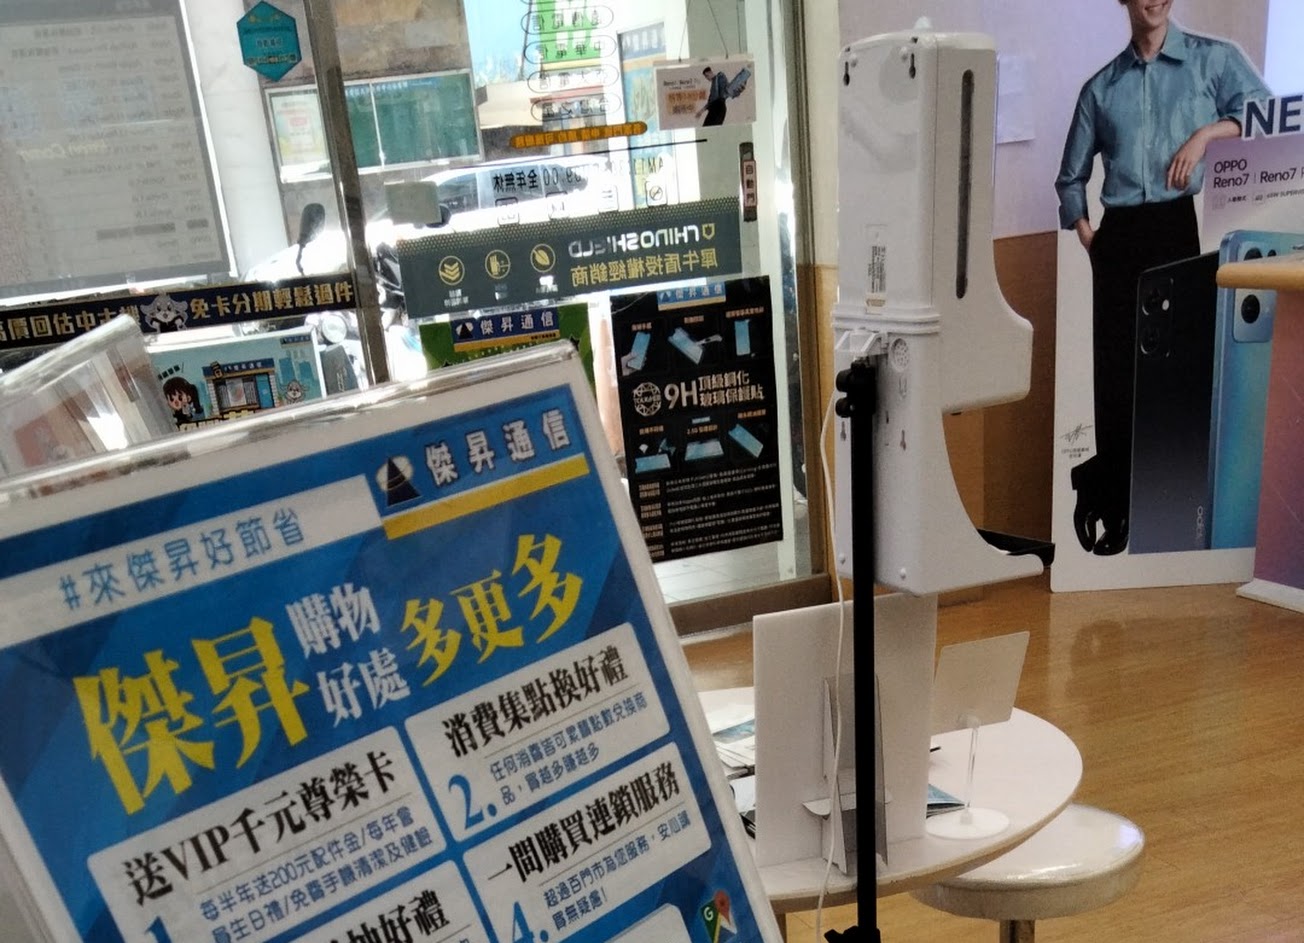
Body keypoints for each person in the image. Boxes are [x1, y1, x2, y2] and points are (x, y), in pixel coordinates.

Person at [1054, 0, 1269, 556]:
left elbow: (1264, 114)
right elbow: (1070, 178)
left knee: (1173, 372)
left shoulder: (1211, 61)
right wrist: (1091, 237)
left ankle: (1165, 505)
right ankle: (1114, 504)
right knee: (1116, 374)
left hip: (1176, 228)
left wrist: (1207, 135)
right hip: (1119, 237)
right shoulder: (1101, 89)